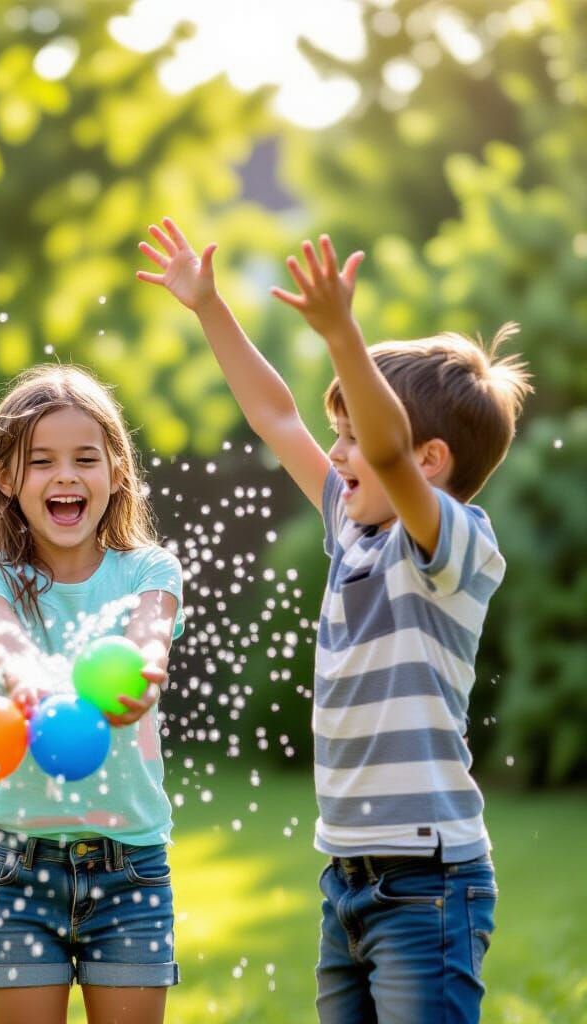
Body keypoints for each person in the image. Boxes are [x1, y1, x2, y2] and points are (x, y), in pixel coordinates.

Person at [138, 218, 531, 1023]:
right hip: (346, 875)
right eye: (340, 434)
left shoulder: (455, 547)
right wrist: (211, 308)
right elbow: (277, 418)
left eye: (352, 437)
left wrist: (343, 335)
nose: (340, 452)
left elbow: (384, 451)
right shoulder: (355, 529)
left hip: (428, 884)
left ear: (430, 462)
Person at [0, 363, 184, 1024]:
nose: (66, 477)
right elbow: (2, 640)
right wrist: (31, 682)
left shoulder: (150, 568)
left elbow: (149, 635)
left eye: (86, 459)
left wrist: (140, 672)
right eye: (42, 462)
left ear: (117, 474)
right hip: (17, 869)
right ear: (4, 478)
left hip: (131, 867)